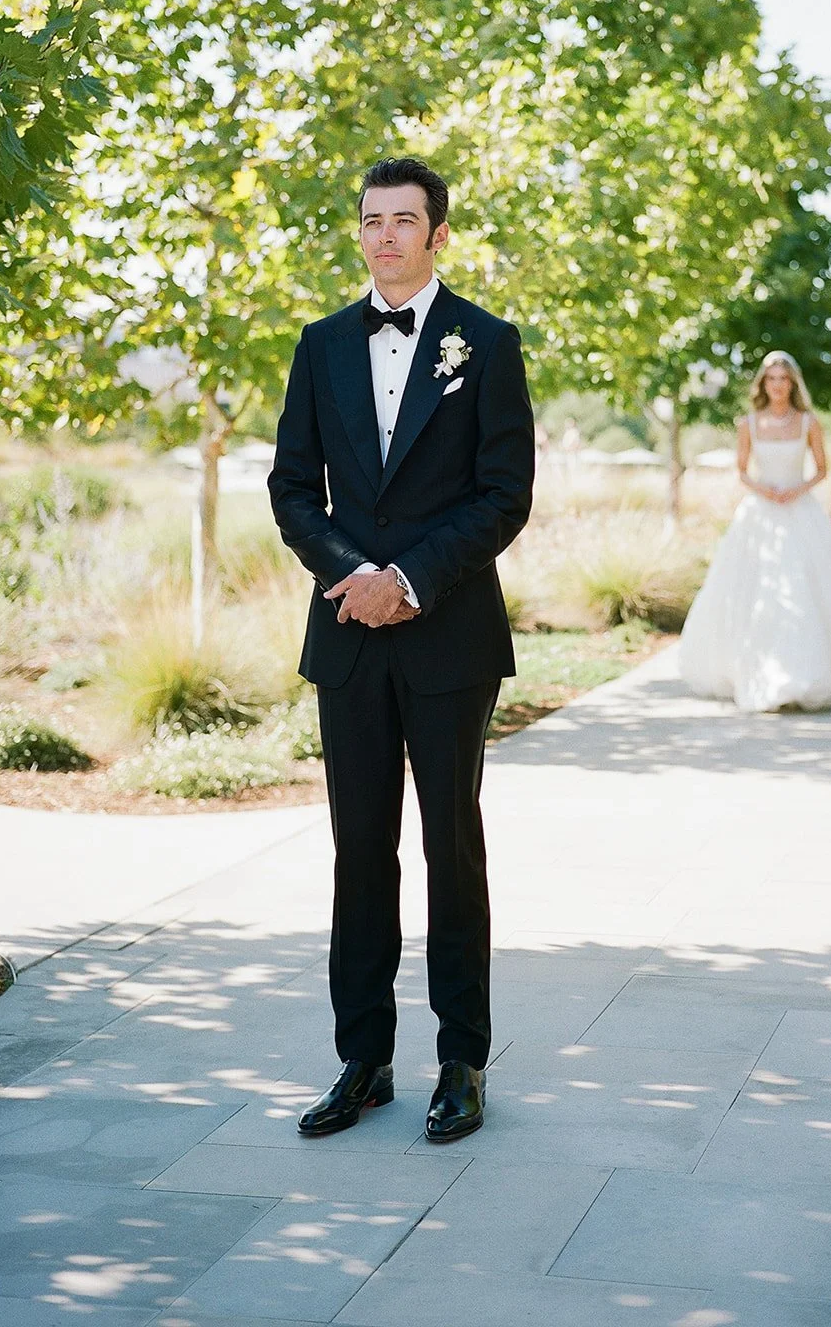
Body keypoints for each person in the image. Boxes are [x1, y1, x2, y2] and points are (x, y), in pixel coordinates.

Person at [268, 156, 535, 1142]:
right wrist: (354, 579)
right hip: (347, 634)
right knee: (358, 853)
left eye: (404, 220)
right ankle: (362, 1061)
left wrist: (409, 582)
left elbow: (501, 494)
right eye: (372, 219)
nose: (385, 234)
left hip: (448, 635)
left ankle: (460, 1060)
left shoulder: (487, 343)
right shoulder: (321, 343)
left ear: (438, 234)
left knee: (449, 848)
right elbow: (293, 486)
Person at [679, 350, 831, 712]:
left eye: (783, 379)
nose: (777, 385)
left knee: (804, 588)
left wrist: (796, 490)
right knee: (757, 591)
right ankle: (759, 672)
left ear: (792, 383)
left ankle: (807, 673)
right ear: (763, 384)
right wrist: (764, 490)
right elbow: (741, 471)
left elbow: (821, 469)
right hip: (760, 513)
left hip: (800, 511)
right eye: (771, 379)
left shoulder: (807, 423)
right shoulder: (749, 424)